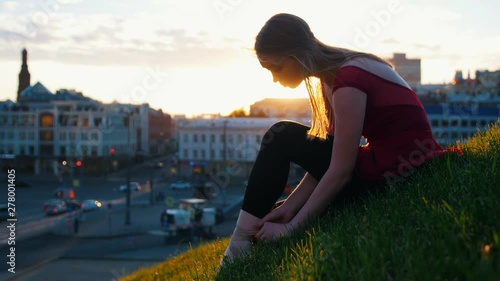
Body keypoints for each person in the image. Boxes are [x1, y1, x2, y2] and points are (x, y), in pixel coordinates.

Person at [221, 13, 444, 265]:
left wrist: (291, 228)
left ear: (295, 56)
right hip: (390, 166)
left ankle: (240, 243)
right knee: (284, 185)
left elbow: (340, 170)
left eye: (276, 67)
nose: (274, 78)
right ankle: (247, 236)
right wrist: (289, 208)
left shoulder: (347, 80)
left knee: (280, 135)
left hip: (400, 176)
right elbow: (329, 158)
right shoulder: (336, 74)